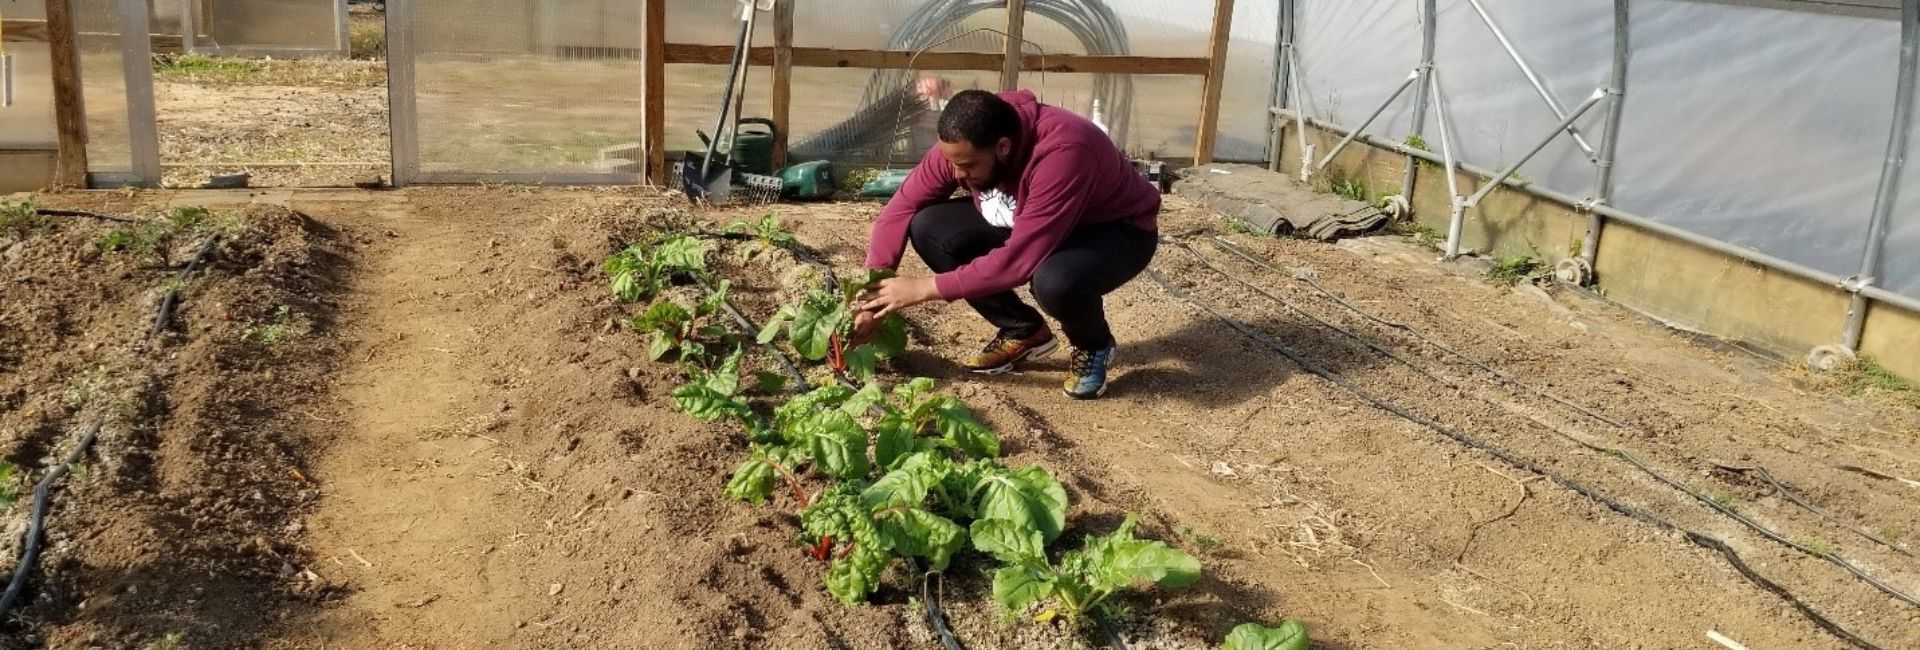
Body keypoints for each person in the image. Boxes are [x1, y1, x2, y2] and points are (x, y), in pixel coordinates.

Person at [852, 89, 1161, 400]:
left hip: (1114, 231)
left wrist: (924, 288)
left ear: (1003, 147)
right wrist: (874, 296)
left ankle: (1093, 344)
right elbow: (899, 210)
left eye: (968, 165)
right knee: (930, 228)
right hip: (1032, 218)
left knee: (1054, 282)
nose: (957, 174)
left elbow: (1019, 261)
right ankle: (1024, 331)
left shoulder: (1065, 150)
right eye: (952, 162)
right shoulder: (964, 141)